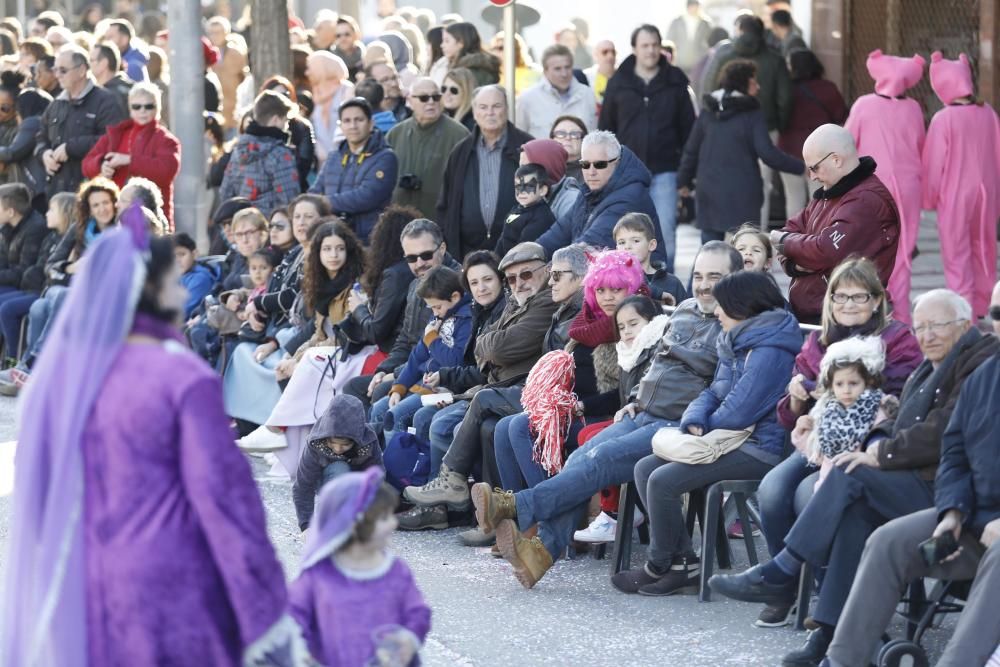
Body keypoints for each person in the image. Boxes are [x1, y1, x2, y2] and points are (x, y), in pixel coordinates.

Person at [0, 205, 307, 666]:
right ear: (150, 290)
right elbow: (224, 500)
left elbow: (35, 485)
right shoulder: (181, 376)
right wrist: (264, 605)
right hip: (169, 578)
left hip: (84, 578)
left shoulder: (63, 378)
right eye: (172, 281)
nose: (181, 292)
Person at [709, 288, 988, 665]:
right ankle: (829, 636)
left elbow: (942, 432)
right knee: (853, 514)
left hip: (941, 487)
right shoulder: (931, 364)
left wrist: (879, 454)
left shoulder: (976, 362)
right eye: (920, 327)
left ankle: (784, 568)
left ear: (965, 324)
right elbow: (900, 421)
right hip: (911, 476)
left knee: (847, 472)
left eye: (937, 326)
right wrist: (874, 442)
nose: (927, 336)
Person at [468, 242, 742, 588]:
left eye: (714, 277)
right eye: (698, 275)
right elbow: (657, 362)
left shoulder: (733, 324)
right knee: (582, 456)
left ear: (735, 279)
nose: (702, 284)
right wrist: (636, 398)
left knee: (598, 458)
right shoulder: (685, 310)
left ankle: (515, 506)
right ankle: (540, 552)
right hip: (642, 412)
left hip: (678, 422)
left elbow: (722, 387)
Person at [753, 258, 920, 627]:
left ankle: (828, 594)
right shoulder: (818, 341)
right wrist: (798, 398)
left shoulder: (898, 339)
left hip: (865, 444)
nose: (848, 305)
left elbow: (899, 398)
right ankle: (785, 588)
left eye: (859, 296)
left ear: (877, 300)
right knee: (771, 490)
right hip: (816, 440)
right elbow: (786, 415)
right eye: (840, 297)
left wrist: (823, 388)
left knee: (808, 494)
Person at [612, 270, 800, 595]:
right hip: (726, 438)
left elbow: (741, 411)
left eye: (723, 306)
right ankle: (682, 562)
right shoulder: (734, 339)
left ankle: (658, 564)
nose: (716, 312)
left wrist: (705, 426)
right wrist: (695, 417)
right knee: (645, 467)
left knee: (663, 480)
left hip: (760, 448)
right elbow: (713, 391)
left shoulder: (771, 350)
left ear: (743, 308)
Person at [401, 242, 561, 517]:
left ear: (546, 271)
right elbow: (482, 351)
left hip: (518, 389)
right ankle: (465, 509)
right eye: (512, 278)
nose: (519, 283)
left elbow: (491, 351)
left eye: (526, 274)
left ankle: (462, 497)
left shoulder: (543, 301)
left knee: (452, 421)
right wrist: (398, 381)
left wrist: (461, 361)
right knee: (412, 414)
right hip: (494, 385)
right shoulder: (510, 304)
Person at [495, 249, 645, 499]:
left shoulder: (632, 327)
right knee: (504, 426)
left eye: (615, 289)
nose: (607, 297)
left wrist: (578, 406)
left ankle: (541, 512)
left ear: (629, 287)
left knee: (521, 426)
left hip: (602, 414)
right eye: (601, 290)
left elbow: (625, 393)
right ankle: (518, 519)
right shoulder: (586, 323)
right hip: (571, 408)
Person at [236, 219, 370, 468]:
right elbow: (317, 330)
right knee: (287, 365)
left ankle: (275, 429)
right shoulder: (322, 282)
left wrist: (304, 356)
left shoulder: (355, 284)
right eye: (327, 249)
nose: (333, 255)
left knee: (308, 363)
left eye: (339, 249)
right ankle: (288, 445)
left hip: (353, 352)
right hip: (329, 349)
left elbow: (349, 332)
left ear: (348, 251)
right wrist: (292, 354)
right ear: (317, 252)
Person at [289, 468, 431, 667]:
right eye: (384, 518)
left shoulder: (395, 570)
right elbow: (294, 617)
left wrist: (409, 637)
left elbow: (417, 612)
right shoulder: (319, 574)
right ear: (354, 525)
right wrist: (301, 650)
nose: (393, 523)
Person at [771, 124, 900, 324]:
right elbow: (792, 227)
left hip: (842, 318)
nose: (812, 176)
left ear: (836, 160)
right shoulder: (829, 192)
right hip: (817, 311)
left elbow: (824, 250)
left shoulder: (865, 201)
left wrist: (784, 242)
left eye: (814, 168)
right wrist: (794, 264)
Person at [599, 23, 696, 273]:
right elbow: (606, 129)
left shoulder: (675, 82)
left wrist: (687, 175)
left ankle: (667, 290)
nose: (651, 51)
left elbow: (690, 132)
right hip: (626, 175)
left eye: (655, 45)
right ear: (634, 49)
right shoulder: (618, 82)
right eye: (645, 45)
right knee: (626, 237)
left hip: (665, 171)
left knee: (665, 236)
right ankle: (629, 290)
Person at [678, 59, 805, 243]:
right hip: (743, 193)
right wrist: (800, 167)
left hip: (709, 191)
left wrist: (683, 181)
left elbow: (692, 149)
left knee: (709, 248)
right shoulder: (751, 113)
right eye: (754, 81)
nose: (758, 86)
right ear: (743, 83)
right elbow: (767, 153)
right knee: (744, 249)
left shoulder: (709, 111)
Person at [341, 219, 459, 412]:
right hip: (411, 367)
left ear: (442, 248)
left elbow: (437, 349)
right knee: (353, 388)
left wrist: (396, 374)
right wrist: (385, 369)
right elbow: (405, 339)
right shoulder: (415, 285)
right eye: (411, 258)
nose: (419, 264)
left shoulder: (457, 284)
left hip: (436, 374)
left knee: (380, 393)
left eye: (426, 255)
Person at [844, 50, 924, 324]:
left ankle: (869, 313)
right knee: (902, 253)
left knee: (868, 248)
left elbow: (847, 144)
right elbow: (920, 146)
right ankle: (900, 318)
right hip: (909, 187)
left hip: (872, 188)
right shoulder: (913, 108)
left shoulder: (864, 105)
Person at [923, 51, 1000, 321]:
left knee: (956, 251)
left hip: (956, 193)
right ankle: (986, 304)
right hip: (988, 192)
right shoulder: (987, 112)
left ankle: (963, 308)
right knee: (985, 247)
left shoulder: (943, 120)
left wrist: (929, 199)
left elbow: (934, 166)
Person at [369, 266, 473, 445]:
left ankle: (401, 468)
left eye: (437, 307)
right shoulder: (438, 319)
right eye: (431, 307)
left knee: (395, 417)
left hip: (444, 388)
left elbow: (456, 360)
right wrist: (399, 386)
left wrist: (432, 339)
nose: (434, 312)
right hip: (421, 385)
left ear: (455, 297)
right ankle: (379, 464)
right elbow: (417, 357)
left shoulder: (466, 319)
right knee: (379, 409)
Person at [536, 130, 666, 260]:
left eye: (600, 164)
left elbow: (591, 246)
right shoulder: (588, 192)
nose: (591, 172)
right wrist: (531, 250)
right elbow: (558, 232)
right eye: (585, 164)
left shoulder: (630, 196)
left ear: (617, 162)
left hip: (641, 278)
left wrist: (546, 270)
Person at [436, 85, 533, 259]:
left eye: (496, 106)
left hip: (517, 251)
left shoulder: (527, 148)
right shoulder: (460, 152)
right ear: (474, 112)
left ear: (507, 109)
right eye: (483, 107)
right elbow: (445, 206)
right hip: (467, 254)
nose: (490, 112)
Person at [793, 337, 898, 488]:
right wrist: (803, 432)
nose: (846, 390)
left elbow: (877, 450)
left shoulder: (876, 410)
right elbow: (819, 457)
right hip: (826, 485)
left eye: (853, 383)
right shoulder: (829, 411)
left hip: (858, 485)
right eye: (839, 384)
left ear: (867, 382)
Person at [82, 82, 180, 224]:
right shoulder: (117, 134)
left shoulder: (167, 140)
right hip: (114, 218)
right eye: (137, 106)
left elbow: (166, 171)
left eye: (149, 106)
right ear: (130, 108)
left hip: (151, 220)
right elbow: (86, 164)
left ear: (157, 108)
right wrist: (102, 166)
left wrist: (129, 160)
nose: (142, 111)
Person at [37, 43, 126, 197]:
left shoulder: (106, 101)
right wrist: (44, 154)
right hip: (56, 191)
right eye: (55, 69)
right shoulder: (57, 103)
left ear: (82, 70)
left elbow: (112, 140)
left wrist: (71, 148)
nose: (57, 75)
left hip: (90, 192)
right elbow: (40, 136)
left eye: (63, 70)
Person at [310, 97, 397, 244]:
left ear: (371, 124)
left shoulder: (386, 157)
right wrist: (307, 202)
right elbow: (316, 189)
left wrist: (324, 202)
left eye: (359, 120)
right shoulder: (334, 156)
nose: (353, 126)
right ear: (341, 126)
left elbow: (367, 196)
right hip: (333, 238)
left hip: (368, 239)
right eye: (347, 121)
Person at [292, 394, 384, 531]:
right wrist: (306, 526)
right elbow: (303, 486)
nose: (337, 449)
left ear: (356, 440)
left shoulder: (368, 440)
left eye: (345, 445)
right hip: (328, 479)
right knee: (339, 467)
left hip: (356, 482)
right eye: (332, 443)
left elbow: (377, 476)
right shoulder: (316, 441)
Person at [778, 48, 847, 221]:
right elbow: (841, 116)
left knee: (793, 197)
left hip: (788, 149)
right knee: (818, 197)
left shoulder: (786, 90)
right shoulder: (828, 88)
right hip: (820, 150)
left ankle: (792, 240)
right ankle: (816, 239)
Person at [386, 76, 469, 219]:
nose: (431, 102)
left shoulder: (459, 135)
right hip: (400, 220)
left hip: (440, 220)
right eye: (424, 98)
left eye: (436, 97)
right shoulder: (396, 133)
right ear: (410, 101)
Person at [219, 91, 301, 217]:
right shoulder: (280, 154)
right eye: (285, 121)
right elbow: (289, 198)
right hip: (268, 226)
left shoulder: (238, 150)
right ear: (275, 119)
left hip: (241, 227)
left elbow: (225, 192)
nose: (287, 127)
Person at [0, 183, 48, 346]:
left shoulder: (35, 228)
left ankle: (11, 360)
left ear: (11, 211)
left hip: (27, 286)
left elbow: (23, 271)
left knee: (5, 307)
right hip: (12, 281)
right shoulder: (7, 228)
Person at [516, 44, 597, 140]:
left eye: (567, 67)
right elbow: (518, 139)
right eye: (557, 69)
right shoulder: (527, 99)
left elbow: (593, 136)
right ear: (545, 71)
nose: (564, 74)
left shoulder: (587, 94)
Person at [614, 212, 686, 305]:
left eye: (635, 241)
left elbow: (686, 315)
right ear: (616, 249)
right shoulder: (615, 281)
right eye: (622, 242)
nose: (627, 246)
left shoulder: (673, 283)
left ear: (651, 245)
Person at [258, 76, 318, 188]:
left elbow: (304, 166)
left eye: (284, 95)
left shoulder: (302, 127)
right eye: (273, 97)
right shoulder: (255, 126)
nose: (279, 102)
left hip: (293, 188)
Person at [494, 163, 556, 257]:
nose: (522, 191)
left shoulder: (542, 217)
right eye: (518, 186)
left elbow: (523, 251)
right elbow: (502, 239)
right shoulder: (516, 209)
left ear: (542, 190)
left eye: (529, 186)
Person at [306, 50, 354, 163]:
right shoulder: (315, 93)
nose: (306, 73)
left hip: (345, 156)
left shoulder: (346, 90)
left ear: (322, 68)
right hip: (322, 161)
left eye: (310, 68)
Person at [205, 17, 247, 133]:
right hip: (214, 114)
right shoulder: (204, 54)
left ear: (226, 32)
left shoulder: (235, 53)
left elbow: (244, 79)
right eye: (212, 32)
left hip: (232, 113)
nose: (215, 36)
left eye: (218, 32)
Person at [171, 231, 215, 320]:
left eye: (181, 254)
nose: (177, 260)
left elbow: (182, 312)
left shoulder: (200, 279)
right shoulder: (174, 277)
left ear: (194, 254)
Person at [441, 22, 499, 87]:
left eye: (447, 41)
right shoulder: (458, 66)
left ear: (461, 42)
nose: (442, 45)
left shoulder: (474, 70)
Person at [666, 0, 714, 74]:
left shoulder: (705, 23)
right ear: (688, 7)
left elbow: (709, 42)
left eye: (696, 6)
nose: (694, 9)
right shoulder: (677, 21)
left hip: (698, 62)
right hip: (680, 60)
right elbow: (670, 39)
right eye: (692, 6)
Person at [89, 41, 134, 115]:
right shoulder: (130, 87)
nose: (88, 65)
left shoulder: (110, 95)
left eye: (91, 60)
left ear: (104, 63)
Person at [550, 115, 587, 182]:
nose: (568, 138)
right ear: (552, 139)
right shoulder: (542, 170)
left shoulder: (592, 170)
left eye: (574, 134)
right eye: (560, 133)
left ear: (584, 140)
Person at [583, 40, 617, 106]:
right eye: (605, 52)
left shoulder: (625, 77)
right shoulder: (585, 76)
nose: (610, 56)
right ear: (595, 55)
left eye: (613, 52)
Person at [332, 16, 365, 81]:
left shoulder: (366, 57)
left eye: (347, 34)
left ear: (355, 34)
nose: (343, 38)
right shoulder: (331, 60)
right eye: (338, 36)